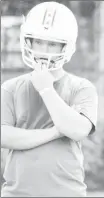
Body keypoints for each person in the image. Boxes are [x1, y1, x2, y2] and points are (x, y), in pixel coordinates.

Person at [1, 2, 98, 196]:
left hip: (67, 192)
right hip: (17, 193)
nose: (43, 49)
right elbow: (4, 137)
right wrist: (55, 132)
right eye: (38, 41)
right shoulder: (10, 88)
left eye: (52, 43)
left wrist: (46, 89)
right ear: (28, 42)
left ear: (66, 45)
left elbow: (78, 130)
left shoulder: (81, 87)